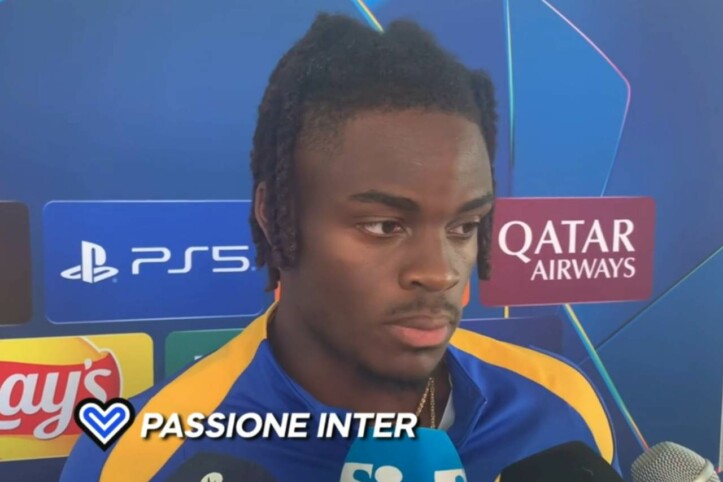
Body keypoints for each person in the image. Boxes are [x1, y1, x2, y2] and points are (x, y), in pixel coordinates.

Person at [61, 13, 618, 481]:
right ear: (275, 216)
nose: (439, 273)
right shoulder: (141, 454)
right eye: (383, 226)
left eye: (463, 226)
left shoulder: (561, 405)